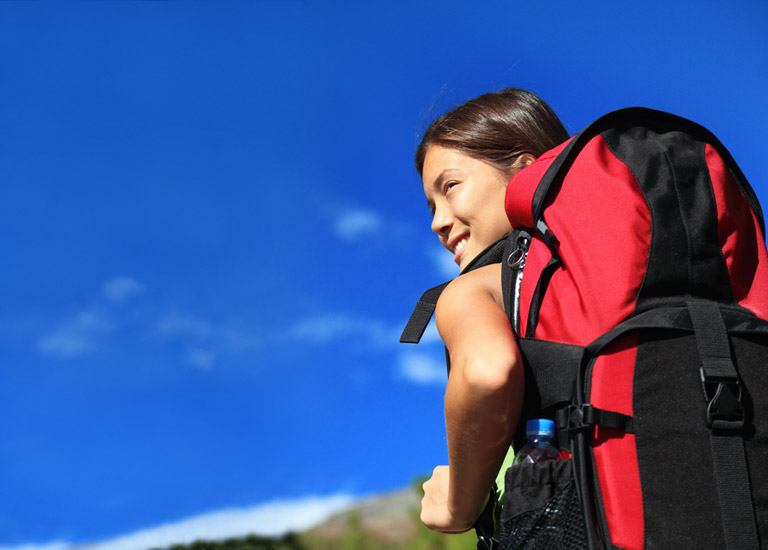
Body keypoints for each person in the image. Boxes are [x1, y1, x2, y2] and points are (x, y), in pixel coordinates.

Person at [415, 88, 569, 534]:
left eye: (450, 187)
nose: (438, 223)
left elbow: (486, 372)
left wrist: (458, 506)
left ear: (526, 171)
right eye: (432, 204)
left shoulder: (477, 290)